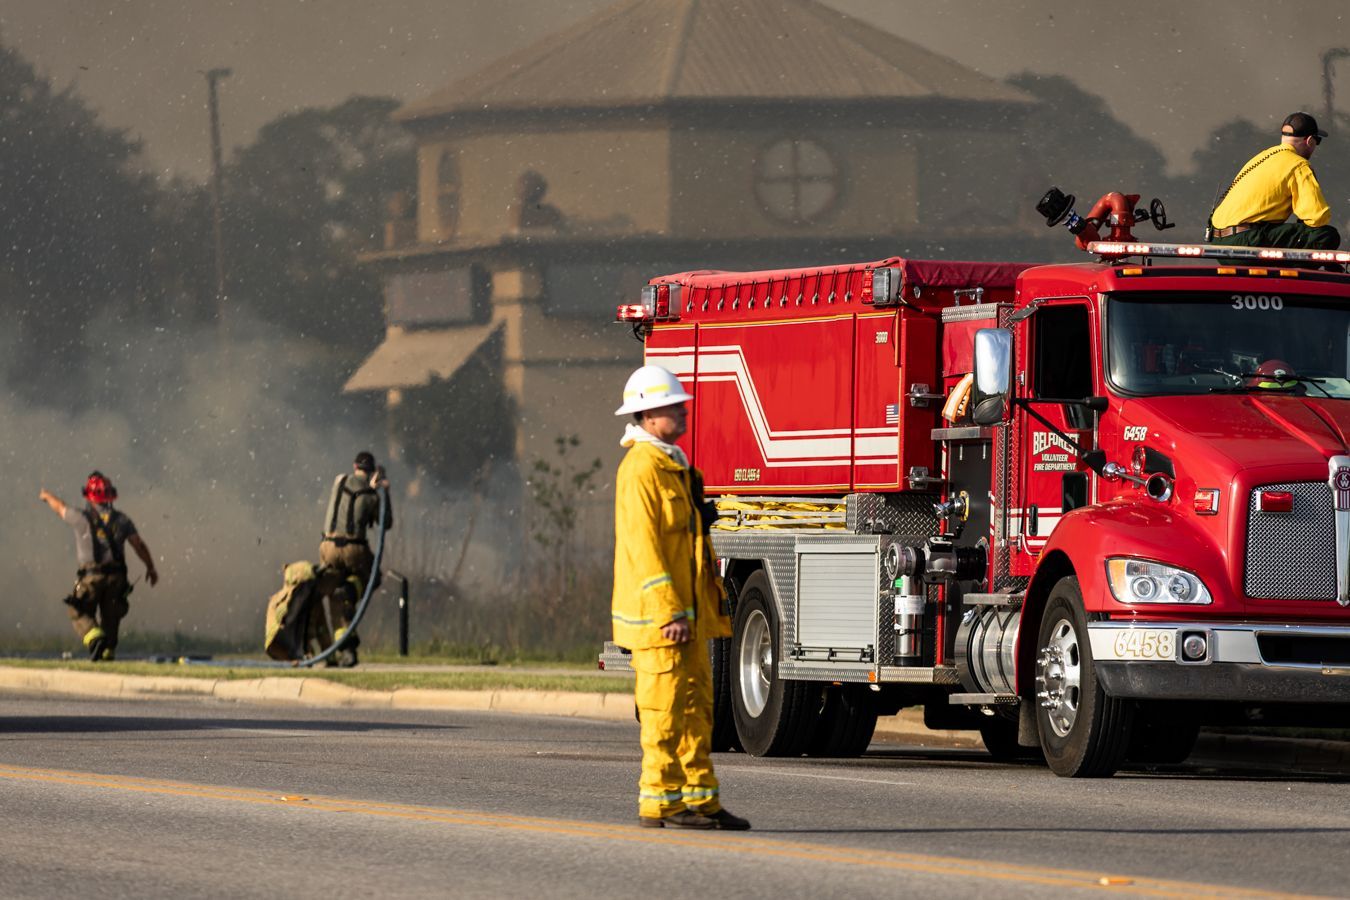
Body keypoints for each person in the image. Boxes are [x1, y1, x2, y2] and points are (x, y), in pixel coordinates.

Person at [611, 364, 750, 831]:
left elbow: (683, 542)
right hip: (661, 620)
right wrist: (668, 609)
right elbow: (645, 549)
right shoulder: (641, 471)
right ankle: (660, 804)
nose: (683, 410)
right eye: (673, 405)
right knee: (663, 713)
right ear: (648, 414)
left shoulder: (673, 465)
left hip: (687, 619)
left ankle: (701, 801)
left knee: (696, 709)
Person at [40, 472, 158, 661]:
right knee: (112, 616)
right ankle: (107, 651)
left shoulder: (81, 518)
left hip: (91, 577)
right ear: (111, 495)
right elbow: (139, 545)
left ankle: (94, 638)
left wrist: (46, 496)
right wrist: (150, 568)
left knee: (78, 610)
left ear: (88, 495)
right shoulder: (122, 520)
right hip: (117, 578)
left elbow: (60, 508)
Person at [1209, 112, 1340, 251]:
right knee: (1325, 235)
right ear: (1309, 140)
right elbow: (1317, 218)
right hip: (1246, 242)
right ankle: (1296, 273)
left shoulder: (1263, 156)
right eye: (1317, 140)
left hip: (1219, 242)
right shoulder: (1298, 165)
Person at [318, 451, 392, 667]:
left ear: (354, 466)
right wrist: (383, 491)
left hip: (327, 547)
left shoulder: (338, 481)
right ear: (372, 471)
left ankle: (346, 649)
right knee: (373, 577)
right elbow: (385, 523)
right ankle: (352, 588)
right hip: (354, 548)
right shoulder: (371, 496)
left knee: (336, 600)